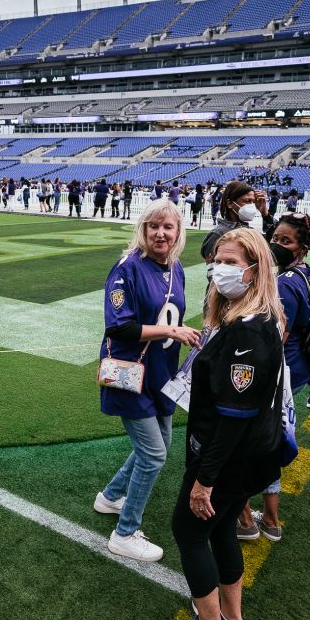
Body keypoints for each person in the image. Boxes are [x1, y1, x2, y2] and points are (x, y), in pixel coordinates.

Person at [158, 227, 285, 620]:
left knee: (189, 531)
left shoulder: (247, 330)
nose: (219, 269)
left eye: (231, 262)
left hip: (228, 456)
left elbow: (234, 418)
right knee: (224, 527)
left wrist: (203, 481)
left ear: (255, 270)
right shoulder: (253, 319)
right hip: (250, 455)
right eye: (217, 260)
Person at [94, 199, 201, 562]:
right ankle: (124, 533)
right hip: (129, 372)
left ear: (178, 232)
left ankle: (110, 496)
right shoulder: (127, 268)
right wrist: (171, 330)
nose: (160, 233)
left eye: (167, 227)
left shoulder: (176, 268)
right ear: (143, 229)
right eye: (153, 226)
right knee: (154, 454)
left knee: (159, 446)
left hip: (161, 374)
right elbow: (118, 324)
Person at [236, 211, 310, 542]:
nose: (276, 245)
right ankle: (270, 519)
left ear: (302, 247)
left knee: (246, 444)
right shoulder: (305, 274)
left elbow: (274, 337)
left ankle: (245, 519)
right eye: (275, 238)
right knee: (270, 441)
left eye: (285, 241)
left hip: (277, 373)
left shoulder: (284, 283)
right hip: (295, 368)